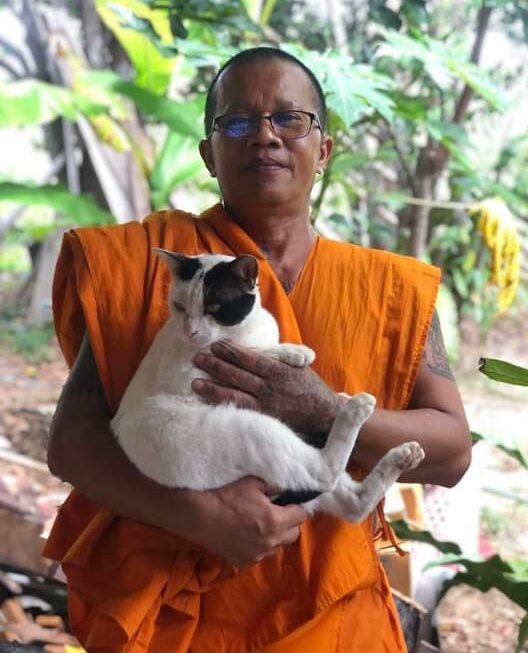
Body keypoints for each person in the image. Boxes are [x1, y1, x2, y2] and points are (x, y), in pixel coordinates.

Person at [45, 47, 471, 652]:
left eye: (289, 119)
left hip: (330, 607)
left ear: (322, 150)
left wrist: (323, 410)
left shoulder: (391, 288)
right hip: (176, 613)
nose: (265, 136)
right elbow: (71, 440)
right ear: (208, 155)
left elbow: (452, 452)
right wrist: (196, 516)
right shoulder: (149, 263)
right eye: (238, 123)